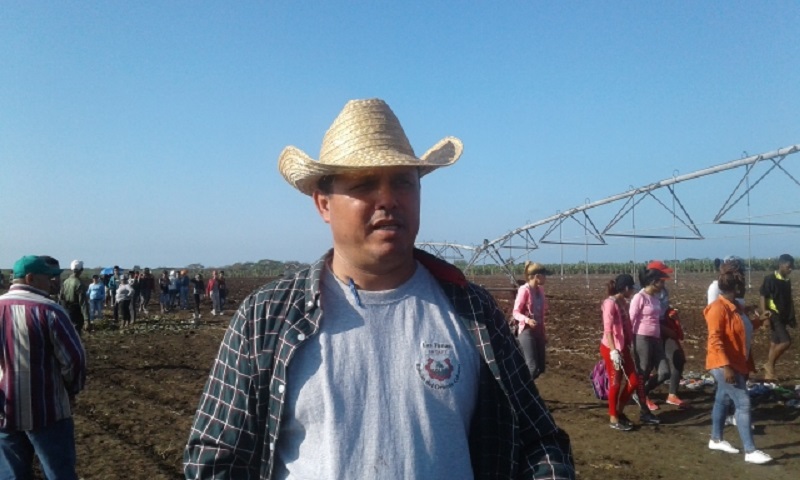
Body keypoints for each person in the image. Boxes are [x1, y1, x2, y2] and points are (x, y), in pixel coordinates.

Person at [184, 98, 574, 479]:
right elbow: (214, 460)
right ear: (323, 204)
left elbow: (538, 440)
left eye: (403, 182)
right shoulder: (266, 318)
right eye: (365, 183)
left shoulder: (471, 311)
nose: (388, 199)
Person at [0, 255, 86, 479]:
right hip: (47, 410)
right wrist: (72, 390)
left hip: (4, 412)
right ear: (30, 278)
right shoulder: (50, 311)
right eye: (48, 277)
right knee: (58, 472)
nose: (52, 282)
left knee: (11, 473)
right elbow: (74, 359)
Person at [705, 262, 772, 464]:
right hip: (723, 364)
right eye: (742, 285)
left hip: (736, 361)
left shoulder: (735, 307)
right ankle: (750, 451)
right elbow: (715, 340)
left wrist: (760, 321)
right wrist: (726, 367)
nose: (744, 288)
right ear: (735, 288)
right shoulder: (717, 309)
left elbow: (744, 328)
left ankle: (716, 439)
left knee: (722, 400)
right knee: (743, 403)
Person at [600, 274, 647, 431]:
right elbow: (608, 330)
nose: (633, 290)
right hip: (611, 348)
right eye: (632, 288)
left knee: (633, 380)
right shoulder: (610, 303)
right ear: (626, 288)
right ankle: (613, 417)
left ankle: (619, 411)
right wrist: (613, 351)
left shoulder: (623, 303)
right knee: (615, 382)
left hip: (623, 347)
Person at [646, 260, 688, 409]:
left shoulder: (664, 291)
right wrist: (665, 329)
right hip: (650, 332)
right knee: (648, 366)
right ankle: (642, 393)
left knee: (678, 358)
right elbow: (648, 318)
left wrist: (670, 312)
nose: (665, 277)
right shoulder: (644, 294)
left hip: (664, 328)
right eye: (662, 274)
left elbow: (664, 308)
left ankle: (672, 394)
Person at [629, 267, 669, 424]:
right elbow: (631, 320)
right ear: (653, 282)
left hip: (655, 339)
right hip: (641, 338)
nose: (663, 284)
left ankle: (641, 392)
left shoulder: (655, 298)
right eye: (661, 281)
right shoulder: (639, 298)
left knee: (664, 372)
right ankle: (644, 412)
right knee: (643, 371)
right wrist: (629, 341)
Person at [759, 254, 795, 381]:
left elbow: (787, 300)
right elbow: (763, 296)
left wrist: (791, 317)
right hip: (773, 314)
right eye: (788, 267)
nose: (790, 269)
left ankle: (769, 375)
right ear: (781, 265)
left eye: (792, 267)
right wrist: (765, 317)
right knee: (786, 342)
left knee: (775, 343)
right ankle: (769, 364)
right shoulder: (770, 279)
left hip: (783, 315)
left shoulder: (786, 280)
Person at [512, 261, 550, 380]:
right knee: (532, 367)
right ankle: (523, 392)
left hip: (538, 330)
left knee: (540, 367)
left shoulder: (540, 291)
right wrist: (527, 320)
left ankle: (524, 388)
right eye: (544, 275)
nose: (546, 278)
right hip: (526, 330)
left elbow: (541, 314)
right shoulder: (524, 290)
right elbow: (515, 312)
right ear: (537, 276)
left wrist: (543, 333)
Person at [59, 260, 90, 335]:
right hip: (76, 311)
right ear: (81, 270)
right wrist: (86, 320)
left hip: (66, 309)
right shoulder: (79, 283)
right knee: (76, 333)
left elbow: (61, 297)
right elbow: (83, 303)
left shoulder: (66, 282)